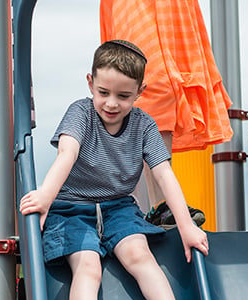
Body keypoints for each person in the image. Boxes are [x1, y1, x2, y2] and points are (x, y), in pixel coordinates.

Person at [20, 40, 209, 300]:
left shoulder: (144, 125)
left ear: (139, 92)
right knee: (88, 265)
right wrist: (46, 198)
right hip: (71, 208)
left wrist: (186, 226)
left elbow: (164, 173)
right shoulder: (80, 112)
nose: (111, 103)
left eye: (123, 96)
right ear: (90, 82)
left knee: (139, 253)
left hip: (119, 207)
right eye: (104, 92)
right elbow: (68, 155)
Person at [100, 0, 233, 228]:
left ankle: (160, 203)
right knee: (149, 81)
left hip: (170, 7)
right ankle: (161, 202)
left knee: (167, 84)